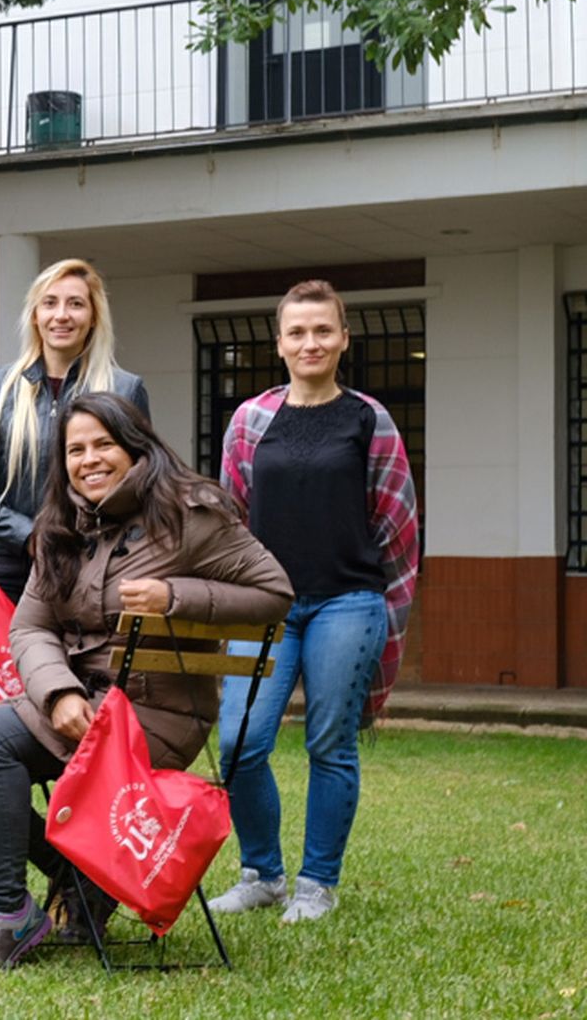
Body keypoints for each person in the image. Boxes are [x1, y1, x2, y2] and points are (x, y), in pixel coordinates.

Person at [0, 392, 293, 971]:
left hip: (155, 713)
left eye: (104, 444)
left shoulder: (189, 513)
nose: (89, 460)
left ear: (136, 448)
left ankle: (8, 913)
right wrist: (58, 691)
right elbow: (29, 625)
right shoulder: (63, 522)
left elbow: (275, 593)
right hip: (82, 702)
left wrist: (176, 597)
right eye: (75, 449)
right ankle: (81, 879)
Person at [0, 257, 150, 931]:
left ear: (95, 316)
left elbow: (136, 482)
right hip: (13, 583)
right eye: (50, 302)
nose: (62, 314)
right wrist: (34, 533)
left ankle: (83, 873)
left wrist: (79, 543)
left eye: (76, 304)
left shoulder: (123, 387)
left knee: (66, 726)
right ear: (34, 312)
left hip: (92, 588)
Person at [208, 280, 419, 924]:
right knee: (240, 742)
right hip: (267, 608)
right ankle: (262, 873)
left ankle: (316, 884)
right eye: (297, 332)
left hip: (347, 603)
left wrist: (379, 599)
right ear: (279, 343)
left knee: (330, 742)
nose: (310, 342)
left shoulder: (368, 418)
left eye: (323, 330)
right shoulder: (249, 420)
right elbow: (230, 519)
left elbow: (396, 520)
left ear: (343, 338)